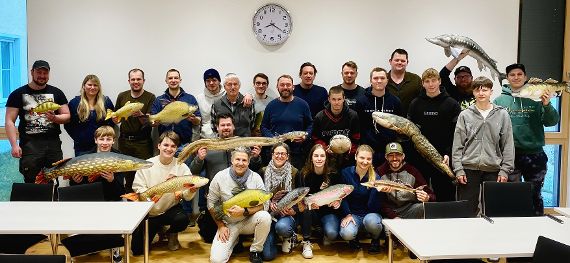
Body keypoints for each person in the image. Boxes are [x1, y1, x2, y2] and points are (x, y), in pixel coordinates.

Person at [493, 63, 559, 216]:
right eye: (512, 75)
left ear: (525, 77)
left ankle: (536, 228)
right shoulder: (499, 101)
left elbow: (551, 121)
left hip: (534, 155)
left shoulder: (536, 97)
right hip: (509, 156)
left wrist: (547, 104)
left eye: (519, 74)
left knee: (534, 195)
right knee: (510, 197)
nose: (516, 77)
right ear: (507, 78)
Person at [190, 114, 262, 243]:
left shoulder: (243, 144)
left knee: (239, 240)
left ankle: (238, 234)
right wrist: (199, 159)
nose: (226, 128)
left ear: (233, 126)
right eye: (222, 125)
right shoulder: (209, 145)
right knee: (208, 235)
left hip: (241, 199)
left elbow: (254, 170)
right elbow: (193, 173)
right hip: (217, 200)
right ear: (217, 128)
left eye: (228, 125)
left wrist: (256, 157)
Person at [452, 76, 514, 216]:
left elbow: (508, 144)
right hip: (469, 169)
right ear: (473, 92)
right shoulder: (465, 115)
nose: (481, 93)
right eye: (477, 90)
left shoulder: (502, 114)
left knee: (494, 210)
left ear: (491, 92)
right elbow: (457, 145)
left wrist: (505, 170)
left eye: (484, 90)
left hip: (494, 169)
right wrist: (458, 169)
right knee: (466, 211)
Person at [131, 131, 197, 255]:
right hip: (149, 212)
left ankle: (171, 233)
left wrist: (191, 191)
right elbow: (138, 187)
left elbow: (186, 196)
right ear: (159, 146)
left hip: (169, 210)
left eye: (173, 146)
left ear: (176, 148)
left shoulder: (182, 167)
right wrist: (150, 199)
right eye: (166, 145)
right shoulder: (147, 164)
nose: (169, 149)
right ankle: (158, 229)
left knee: (182, 219)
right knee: (137, 250)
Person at [5, 60, 70, 184]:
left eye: (45, 73)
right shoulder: (17, 94)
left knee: (53, 182)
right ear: (32, 72)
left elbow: (67, 116)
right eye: (39, 72)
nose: (42, 76)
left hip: (53, 145)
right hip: (30, 145)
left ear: (49, 74)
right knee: (31, 182)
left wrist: (55, 118)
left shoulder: (57, 92)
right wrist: (14, 145)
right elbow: (9, 121)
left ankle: (52, 202)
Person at [69, 125, 125, 263]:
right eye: (101, 139)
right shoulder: (84, 157)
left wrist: (112, 180)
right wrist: (76, 181)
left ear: (113, 141)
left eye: (108, 139)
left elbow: (121, 192)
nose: (105, 142)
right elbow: (74, 187)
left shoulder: (119, 158)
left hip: (110, 199)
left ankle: (115, 248)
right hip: (90, 201)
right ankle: (91, 243)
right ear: (95, 141)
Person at [207, 146, 271, 263]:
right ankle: (234, 239)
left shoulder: (255, 177)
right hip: (228, 224)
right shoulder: (220, 177)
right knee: (216, 260)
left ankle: (255, 250)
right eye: (237, 159)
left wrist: (245, 211)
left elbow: (265, 204)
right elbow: (211, 203)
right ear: (232, 160)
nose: (240, 163)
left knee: (265, 217)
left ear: (249, 161)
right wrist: (221, 225)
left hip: (249, 221)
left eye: (244, 160)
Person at [408, 68, 460, 202]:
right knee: (420, 195)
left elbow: (456, 133)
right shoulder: (415, 104)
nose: (431, 84)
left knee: (445, 195)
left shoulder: (452, 104)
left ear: (439, 81)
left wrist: (449, 152)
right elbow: (410, 131)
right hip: (420, 158)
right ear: (422, 83)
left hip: (444, 158)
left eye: (434, 81)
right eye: (427, 81)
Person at [296, 144, 343, 258]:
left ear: (326, 158)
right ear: (311, 158)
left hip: (328, 211)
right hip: (311, 211)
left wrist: (338, 202)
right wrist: (309, 205)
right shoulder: (302, 174)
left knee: (331, 234)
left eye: (322, 156)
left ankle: (323, 231)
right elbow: (299, 200)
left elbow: (340, 195)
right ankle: (306, 241)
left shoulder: (333, 174)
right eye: (316, 155)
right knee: (306, 207)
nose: (319, 158)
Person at [114, 68, 156, 193]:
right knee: (126, 176)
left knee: (143, 175)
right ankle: (128, 206)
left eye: (139, 79)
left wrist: (140, 114)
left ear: (143, 81)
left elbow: (151, 122)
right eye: (133, 79)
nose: (136, 81)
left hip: (143, 142)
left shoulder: (150, 97)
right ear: (129, 81)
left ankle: (144, 207)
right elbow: (117, 119)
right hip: (124, 142)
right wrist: (115, 119)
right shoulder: (122, 96)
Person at [261, 75, 312, 168]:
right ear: (277, 87)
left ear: (293, 87)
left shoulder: (303, 104)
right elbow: (264, 126)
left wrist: (306, 136)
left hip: (297, 154)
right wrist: (273, 139)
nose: (285, 87)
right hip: (276, 153)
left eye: (288, 85)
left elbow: (310, 124)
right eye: (282, 85)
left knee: (295, 180)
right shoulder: (271, 106)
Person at [339, 145, 383, 254]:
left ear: (372, 160)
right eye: (362, 158)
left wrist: (376, 191)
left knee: (372, 222)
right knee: (347, 233)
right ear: (355, 157)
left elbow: (374, 207)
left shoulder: (376, 178)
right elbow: (342, 198)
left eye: (369, 159)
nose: (365, 161)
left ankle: (375, 240)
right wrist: (347, 214)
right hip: (353, 215)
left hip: (369, 214)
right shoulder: (346, 173)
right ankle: (354, 238)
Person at [260, 143, 299, 261]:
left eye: (283, 154)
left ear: (287, 156)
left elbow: (300, 197)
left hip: (285, 214)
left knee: (282, 227)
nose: (280, 156)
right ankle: (274, 237)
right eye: (277, 153)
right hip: (268, 214)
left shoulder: (295, 172)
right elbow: (258, 195)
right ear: (272, 155)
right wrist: (268, 202)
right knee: (268, 256)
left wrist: (293, 210)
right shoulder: (262, 171)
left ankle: (289, 235)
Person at [357, 67, 402, 165]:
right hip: (367, 150)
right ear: (370, 81)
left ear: (387, 80)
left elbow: (399, 126)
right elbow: (358, 126)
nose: (379, 81)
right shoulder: (361, 101)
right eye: (376, 78)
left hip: (389, 150)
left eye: (382, 78)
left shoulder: (395, 101)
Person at [377, 142, 435, 219]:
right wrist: (393, 216)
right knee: (390, 231)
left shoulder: (412, 171)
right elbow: (379, 200)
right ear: (386, 157)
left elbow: (431, 194)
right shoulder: (380, 172)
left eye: (398, 155)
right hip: (390, 212)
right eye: (391, 155)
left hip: (409, 209)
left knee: (423, 207)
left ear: (403, 156)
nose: (394, 158)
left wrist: (427, 198)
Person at [65, 74, 115, 156]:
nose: (92, 87)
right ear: (84, 86)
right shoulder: (74, 103)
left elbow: (111, 123)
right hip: (82, 147)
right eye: (89, 85)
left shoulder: (106, 102)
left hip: (102, 146)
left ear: (99, 88)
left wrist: (105, 139)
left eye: (95, 85)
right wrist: (78, 138)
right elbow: (67, 124)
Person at [312, 86, 360, 169]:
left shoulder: (353, 116)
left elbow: (356, 138)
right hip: (327, 158)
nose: (336, 102)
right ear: (329, 99)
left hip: (348, 158)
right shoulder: (319, 117)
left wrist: (348, 150)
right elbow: (315, 138)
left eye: (339, 99)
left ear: (344, 99)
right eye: (333, 99)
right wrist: (324, 148)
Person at [151, 68, 201, 145]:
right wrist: (154, 122)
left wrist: (194, 119)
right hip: (165, 144)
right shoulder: (159, 100)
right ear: (166, 81)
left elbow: (198, 120)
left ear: (180, 80)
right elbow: (152, 122)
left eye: (176, 78)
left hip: (185, 144)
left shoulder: (190, 98)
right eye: (170, 78)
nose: (173, 80)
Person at [386, 49, 422, 116]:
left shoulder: (416, 79)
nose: (399, 62)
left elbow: (423, 100)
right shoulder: (382, 79)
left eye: (403, 61)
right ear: (390, 61)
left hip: (410, 122)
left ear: (407, 62)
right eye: (396, 60)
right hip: (387, 122)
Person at [197, 68, 225, 139]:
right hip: (206, 139)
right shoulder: (199, 98)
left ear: (219, 81)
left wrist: (249, 95)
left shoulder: (227, 95)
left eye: (214, 80)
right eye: (208, 81)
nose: (211, 83)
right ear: (205, 83)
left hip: (226, 139)